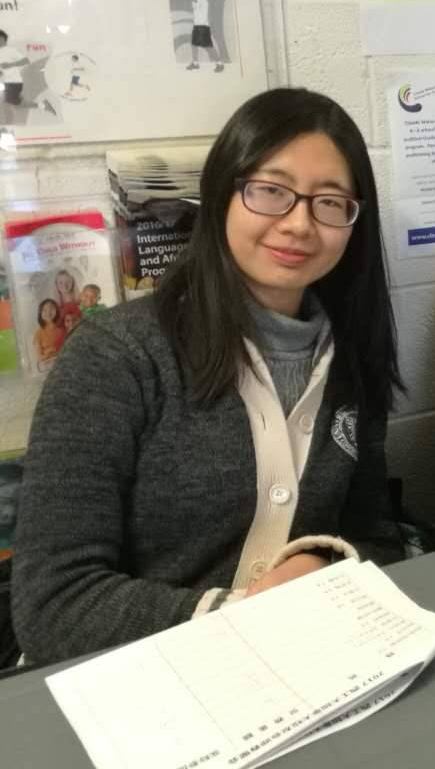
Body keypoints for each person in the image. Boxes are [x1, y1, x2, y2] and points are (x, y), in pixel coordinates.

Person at [12, 88, 405, 665]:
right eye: (270, 191)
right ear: (222, 194)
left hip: (299, 663)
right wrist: (242, 616)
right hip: (136, 675)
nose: (299, 224)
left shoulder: (350, 356)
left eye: (330, 202)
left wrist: (322, 559)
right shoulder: (117, 356)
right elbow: (52, 607)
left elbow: (381, 539)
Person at [187, 0, 224, 73]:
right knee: (194, 45)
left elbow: (193, 1)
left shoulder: (203, 0)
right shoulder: (199, 0)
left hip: (202, 27)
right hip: (197, 26)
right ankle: (195, 63)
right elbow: (193, 4)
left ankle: (220, 64)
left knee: (208, 47)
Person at [0, 30, 30, 109]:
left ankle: (43, 105)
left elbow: (26, 60)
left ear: (3, 39)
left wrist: (10, 65)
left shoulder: (11, 50)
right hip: (5, 82)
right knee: (10, 103)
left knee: (14, 103)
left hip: (13, 81)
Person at [34, 299, 65, 366]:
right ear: (40, 313)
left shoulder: (62, 329)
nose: (48, 312)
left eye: (51, 308)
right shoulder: (38, 334)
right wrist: (50, 352)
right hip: (48, 367)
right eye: (44, 310)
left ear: (57, 310)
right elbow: (40, 358)